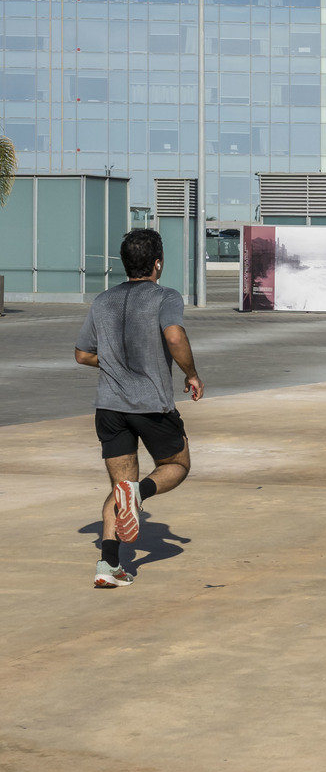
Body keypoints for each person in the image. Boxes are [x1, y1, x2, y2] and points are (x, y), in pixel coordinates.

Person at [74, 225, 203, 588]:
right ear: (157, 264)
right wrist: (191, 374)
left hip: (110, 409)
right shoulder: (165, 296)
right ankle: (140, 493)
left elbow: (83, 354)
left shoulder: (102, 301)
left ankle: (108, 565)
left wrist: (111, 362)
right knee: (177, 464)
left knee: (118, 487)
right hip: (151, 406)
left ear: (124, 263)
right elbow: (174, 335)